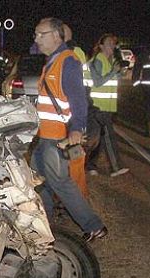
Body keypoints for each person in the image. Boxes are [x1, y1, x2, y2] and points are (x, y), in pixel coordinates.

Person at [30, 18, 107, 242]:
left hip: (57, 137)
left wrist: (77, 128)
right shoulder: (52, 61)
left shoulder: (68, 61)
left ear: (56, 35)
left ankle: (94, 226)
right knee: (38, 179)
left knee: (60, 181)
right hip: (44, 135)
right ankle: (45, 222)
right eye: (35, 34)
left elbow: (78, 98)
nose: (36, 39)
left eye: (40, 34)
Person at [86, 34, 130, 177]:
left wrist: (119, 72)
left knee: (96, 138)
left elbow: (110, 79)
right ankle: (115, 168)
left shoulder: (108, 60)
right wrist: (113, 72)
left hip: (105, 105)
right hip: (98, 105)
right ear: (101, 46)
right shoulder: (97, 60)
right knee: (108, 136)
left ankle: (89, 166)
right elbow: (98, 81)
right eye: (110, 43)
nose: (113, 45)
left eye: (114, 43)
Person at [63, 23, 90, 198]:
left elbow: (78, 88)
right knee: (71, 155)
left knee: (74, 154)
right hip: (70, 113)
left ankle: (77, 195)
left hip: (72, 114)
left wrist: (77, 124)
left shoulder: (71, 55)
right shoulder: (68, 54)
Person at [133, 34, 150, 136]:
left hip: (147, 86)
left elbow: (137, 69)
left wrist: (137, 84)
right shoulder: (146, 53)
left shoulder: (144, 53)